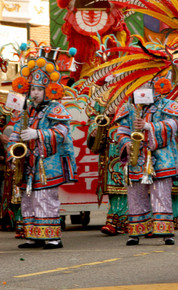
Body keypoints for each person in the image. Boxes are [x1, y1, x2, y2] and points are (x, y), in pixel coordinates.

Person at [8, 54, 77, 249]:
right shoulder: (27, 110)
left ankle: (53, 237)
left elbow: (62, 132)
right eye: (33, 89)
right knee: (28, 199)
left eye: (39, 89)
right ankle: (34, 236)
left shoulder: (56, 108)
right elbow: (15, 133)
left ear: (48, 91)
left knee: (45, 198)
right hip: (27, 163)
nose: (35, 93)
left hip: (47, 163)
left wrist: (38, 134)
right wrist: (13, 153)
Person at [115, 76, 178, 246]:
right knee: (135, 194)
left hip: (161, 157)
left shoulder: (168, 105)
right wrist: (127, 143)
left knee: (161, 193)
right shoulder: (129, 107)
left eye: (147, 84)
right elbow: (121, 131)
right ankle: (136, 231)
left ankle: (165, 231)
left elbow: (173, 126)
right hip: (137, 157)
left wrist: (148, 127)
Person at [87, 101, 128, 236]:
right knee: (113, 186)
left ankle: (123, 220)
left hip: (127, 142)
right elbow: (94, 117)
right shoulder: (102, 97)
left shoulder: (133, 93)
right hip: (109, 147)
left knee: (129, 184)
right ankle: (116, 220)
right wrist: (94, 130)